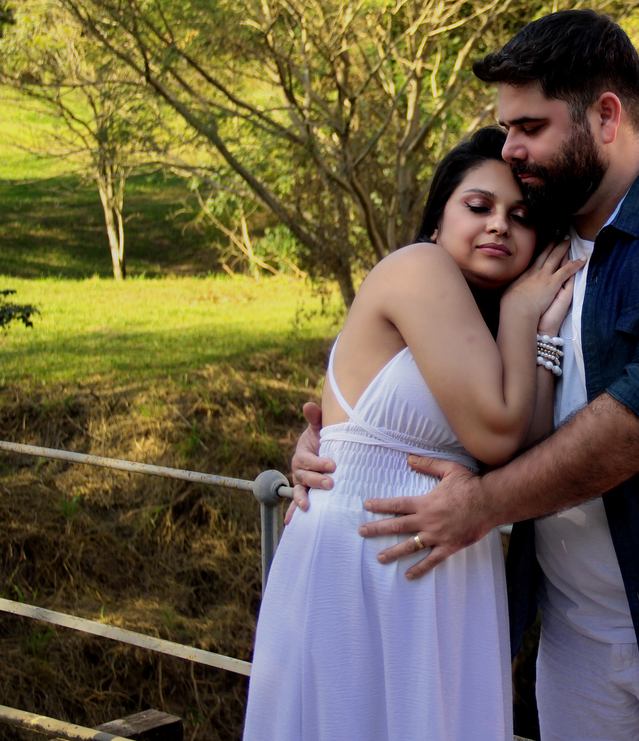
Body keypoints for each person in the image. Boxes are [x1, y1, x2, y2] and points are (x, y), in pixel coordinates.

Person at [292, 10, 639, 740]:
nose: (512, 148)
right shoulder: (526, 250)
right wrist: (334, 446)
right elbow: (418, 378)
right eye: (507, 128)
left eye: (530, 126)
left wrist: (482, 506)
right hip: (570, 634)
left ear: (605, 116)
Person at [245, 126, 583, 741]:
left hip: (452, 560)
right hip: (363, 552)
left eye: (521, 217)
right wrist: (521, 315)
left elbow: (527, 445)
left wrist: (538, 328)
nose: (499, 225)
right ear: (437, 220)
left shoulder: (483, 320)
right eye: (478, 207)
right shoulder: (418, 267)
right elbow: (499, 435)